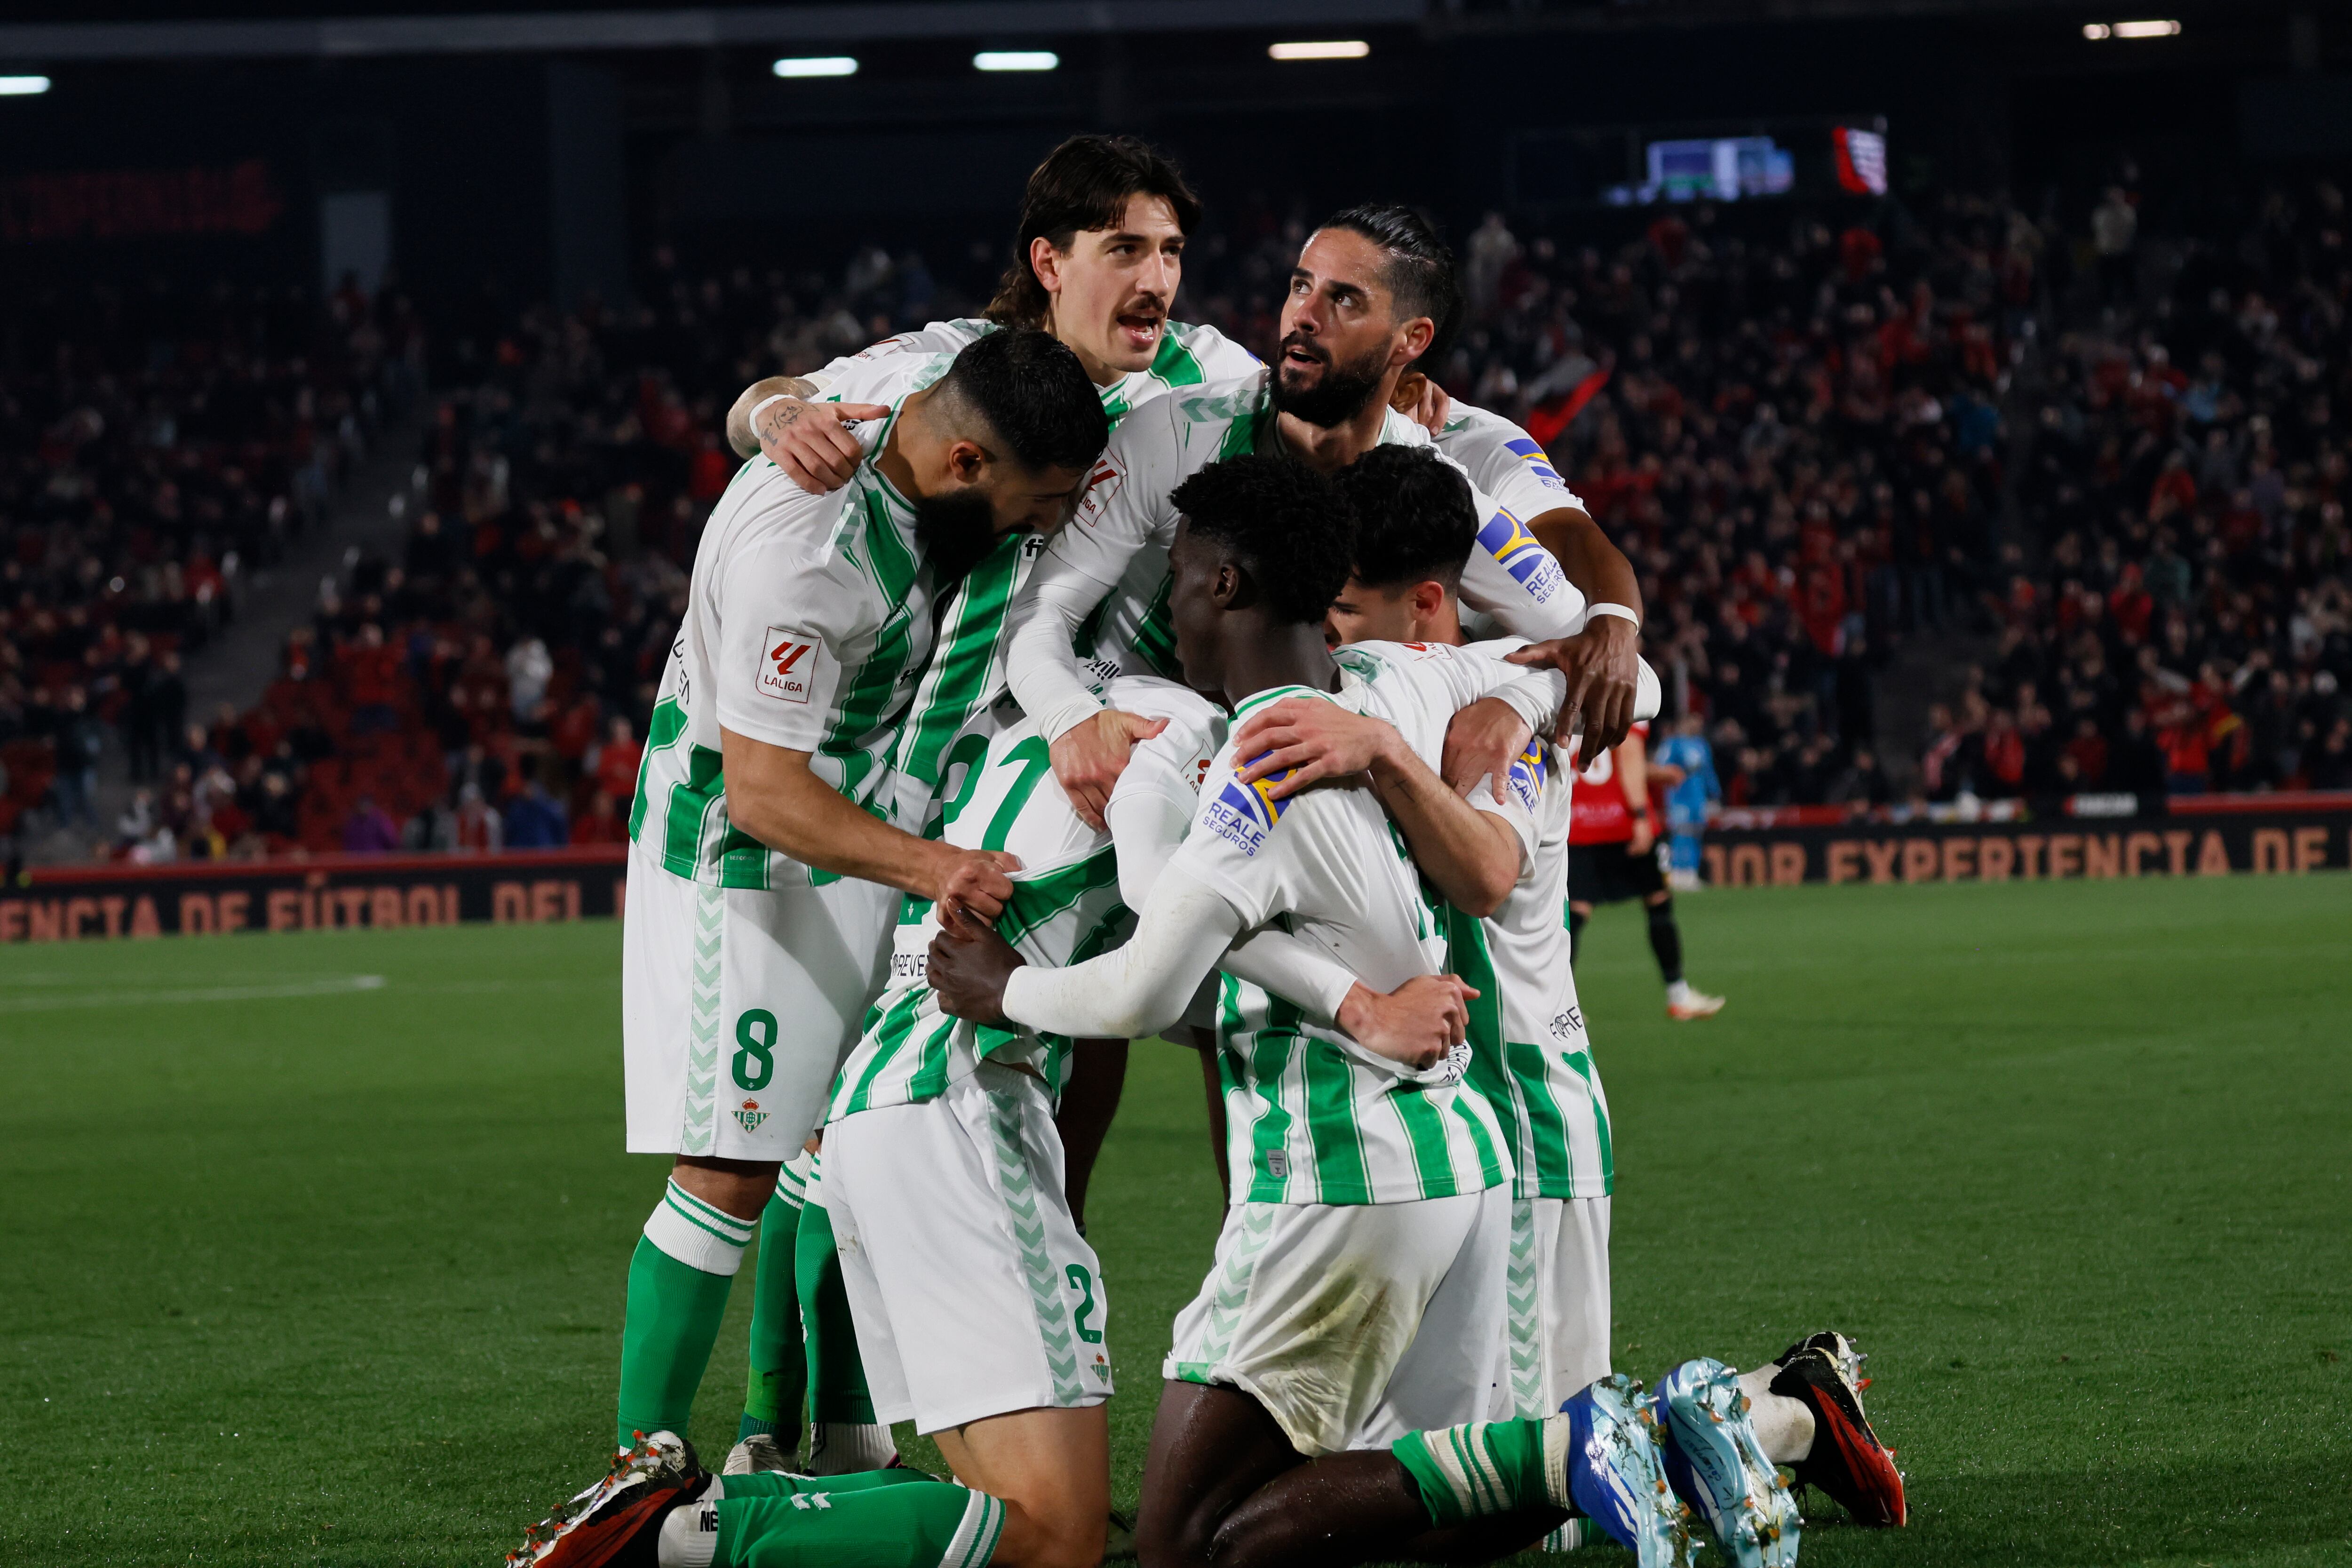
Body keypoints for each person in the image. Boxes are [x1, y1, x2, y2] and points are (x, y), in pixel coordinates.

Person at [925, 454, 1706, 1568]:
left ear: (1228, 587)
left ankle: (1577, 1447)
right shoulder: (1403, 679)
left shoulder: (1261, 760)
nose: (1171, 607)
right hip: (1466, 1164)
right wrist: (1513, 696)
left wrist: (1002, 988)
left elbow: (1149, 983)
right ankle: (1622, 1447)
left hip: (1339, 1172)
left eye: (1182, 579)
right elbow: (1608, 668)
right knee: (1411, 1522)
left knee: (1180, 1546)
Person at [719, 133, 1250, 1473]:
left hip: (1103, 770)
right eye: (1126, 247)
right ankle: (784, 1421)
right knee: (894, 1091)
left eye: (1173, 251)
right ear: (1048, 261)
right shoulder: (944, 368)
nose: (1158, 279)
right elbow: (782, 401)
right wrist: (766, 412)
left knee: (1108, 1066)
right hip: (969, 784)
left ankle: (1036, 1366)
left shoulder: (1213, 381)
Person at [1309, 446, 1903, 1551]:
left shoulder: (1480, 701)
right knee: (1498, 1462)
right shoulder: (1510, 681)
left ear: (1429, 600)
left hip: (1519, 1101)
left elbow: (1616, 675)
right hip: (1498, 1103)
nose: (1329, 633)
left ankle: (1780, 1414)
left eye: (1343, 608)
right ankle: (1786, 1403)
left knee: (1544, 1492)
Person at [607, 326, 1109, 1465]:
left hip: (860, 849)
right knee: (730, 1167)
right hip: (746, 870)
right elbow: (765, 794)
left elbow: (775, 394)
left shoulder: (908, 423)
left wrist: (772, 404)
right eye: (1034, 504)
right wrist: (938, 868)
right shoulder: (809, 554)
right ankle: (636, 1472)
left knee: (841, 1146)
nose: (1039, 529)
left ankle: (832, 1436)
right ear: (970, 464)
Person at [1569, 721, 1725, 1021]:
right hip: (1621, 820)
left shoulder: (1564, 691)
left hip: (1577, 822)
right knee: (1658, 901)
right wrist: (1640, 815)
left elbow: (1601, 764)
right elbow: (1627, 754)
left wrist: (1655, 773)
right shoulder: (1631, 686)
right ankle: (1678, 995)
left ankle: (1560, 1006)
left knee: (1575, 913)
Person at [1651, 712, 1720, 891]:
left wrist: (1715, 794)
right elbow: (1661, 766)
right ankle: (1678, 873)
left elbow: (1708, 772)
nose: (1697, 726)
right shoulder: (1672, 744)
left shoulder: (1702, 745)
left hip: (1698, 798)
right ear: (1685, 722)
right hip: (1679, 796)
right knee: (1681, 834)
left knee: (1696, 834)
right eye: (1694, 721)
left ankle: (1691, 873)